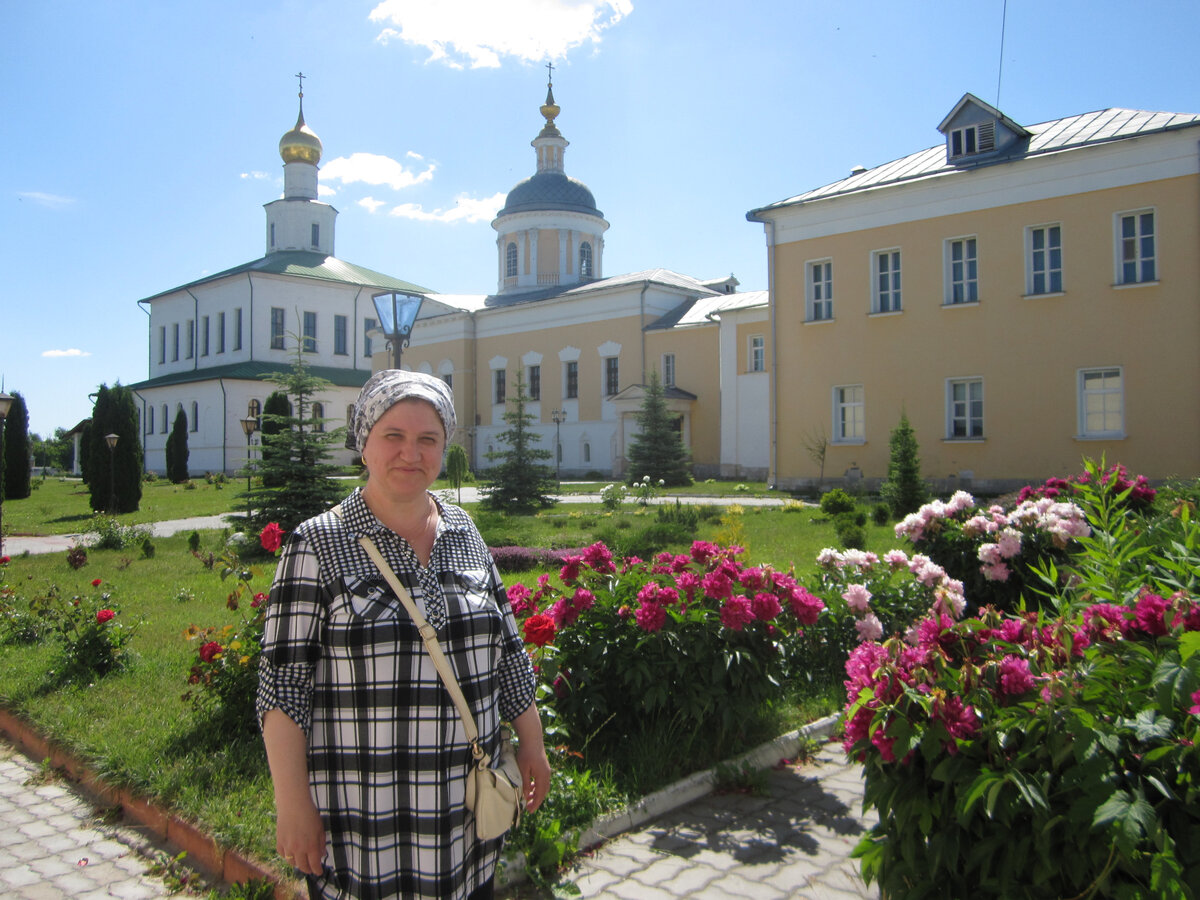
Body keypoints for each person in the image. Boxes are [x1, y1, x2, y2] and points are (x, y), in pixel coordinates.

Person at [257, 369, 551, 900]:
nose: (409, 453)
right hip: (366, 834)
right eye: (393, 435)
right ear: (363, 443)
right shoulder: (317, 544)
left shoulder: (464, 532)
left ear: (444, 448)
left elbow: (508, 650)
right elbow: (284, 686)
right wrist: (292, 803)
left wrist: (532, 743)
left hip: (465, 830)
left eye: (427, 439)